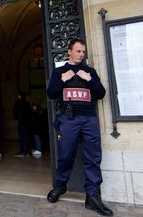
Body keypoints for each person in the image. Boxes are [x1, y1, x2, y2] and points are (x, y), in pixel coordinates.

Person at [46, 38, 113, 216]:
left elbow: (100, 93)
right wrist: (62, 80)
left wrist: (90, 79)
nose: (81, 54)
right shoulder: (59, 71)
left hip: (89, 119)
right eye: (78, 51)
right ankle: (60, 187)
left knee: (93, 157)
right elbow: (51, 93)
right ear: (69, 51)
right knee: (66, 155)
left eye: (83, 52)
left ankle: (92, 196)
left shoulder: (89, 71)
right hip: (69, 120)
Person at [12, 91, 31, 157]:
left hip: (21, 121)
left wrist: (16, 118)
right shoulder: (27, 103)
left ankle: (23, 151)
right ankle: (28, 151)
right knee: (27, 136)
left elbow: (15, 111)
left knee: (22, 136)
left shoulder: (18, 102)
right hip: (27, 121)